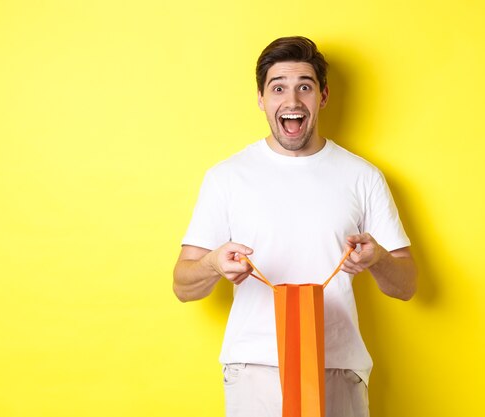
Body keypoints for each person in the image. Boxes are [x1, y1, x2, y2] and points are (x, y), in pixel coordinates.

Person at [173, 36, 417, 417]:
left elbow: (406, 285)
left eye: (305, 86)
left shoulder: (363, 176)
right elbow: (182, 286)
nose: (292, 101)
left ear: (322, 96)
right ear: (261, 98)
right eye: (278, 88)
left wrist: (378, 258)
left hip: (337, 368)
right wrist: (214, 264)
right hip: (255, 370)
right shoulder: (226, 178)